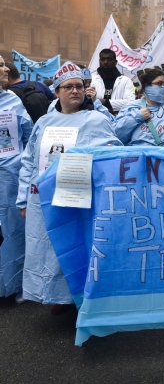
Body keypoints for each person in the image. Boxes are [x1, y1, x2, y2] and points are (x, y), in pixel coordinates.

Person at [17, 61, 121, 313]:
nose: (75, 91)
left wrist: (107, 151)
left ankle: (81, 298)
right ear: (57, 91)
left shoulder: (95, 120)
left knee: (77, 246)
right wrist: (23, 199)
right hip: (43, 198)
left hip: (79, 198)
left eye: (79, 86)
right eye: (68, 87)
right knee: (49, 247)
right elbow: (29, 160)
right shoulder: (43, 122)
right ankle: (58, 296)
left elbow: (114, 152)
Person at [0, 56, 33, 301]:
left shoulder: (13, 100)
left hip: (10, 176)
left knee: (12, 230)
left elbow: (28, 136)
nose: (5, 69)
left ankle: (12, 286)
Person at [115, 68, 164, 147]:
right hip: (139, 157)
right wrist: (136, 117)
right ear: (147, 85)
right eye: (160, 83)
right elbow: (117, 136)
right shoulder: (131, 107)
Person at [91, 49, 136, 114]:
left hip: (118, 120)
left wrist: (104, 102)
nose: (105, 62)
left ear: (115, 62)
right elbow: (87, 103)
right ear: (99, 61)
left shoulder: (126, 81)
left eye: (109, 59)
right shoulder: (92, 81)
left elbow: (130, 103)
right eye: (103, 59)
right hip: (97, 120)